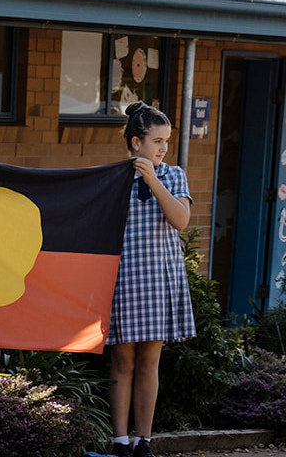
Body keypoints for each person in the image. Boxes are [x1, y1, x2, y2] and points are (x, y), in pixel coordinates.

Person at [107, 102, 196, 457]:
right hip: (124, 278)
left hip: (159, 278)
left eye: (166, 142)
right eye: (156, 141)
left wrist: (153, 180)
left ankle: (144, 440)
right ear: (135, 143)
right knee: (123, 362)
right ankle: (120, 441)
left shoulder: (173, 176)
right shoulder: (113, 178)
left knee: (149, 361)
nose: (162, 148)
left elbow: (180, 220)